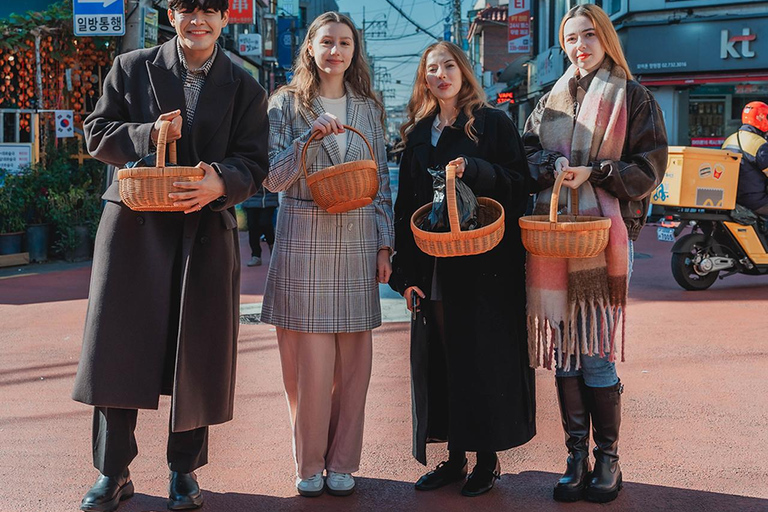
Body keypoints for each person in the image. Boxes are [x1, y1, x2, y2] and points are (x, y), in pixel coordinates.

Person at [73, 0, 268, 510]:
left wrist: (220, 181)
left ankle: (184, 471)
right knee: (118, 351)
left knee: (196, 353)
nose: (197, 20)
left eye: (209, 10)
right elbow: (96, 133)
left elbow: (255, 162)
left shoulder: (246, 86)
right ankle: (112, 471)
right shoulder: (131, 67)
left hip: (204, 229)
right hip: (132, 230)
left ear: (225, 18)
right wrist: (147, 134)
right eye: (187, 9)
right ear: (172, 14)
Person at [522, 4, 668, 504]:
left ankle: (608, 460)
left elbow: (650, 168)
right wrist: (551, 163)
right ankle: (575, 458)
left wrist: (597, 173)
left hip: (605, 241)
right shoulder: (549, 100)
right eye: (571, 38)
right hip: (555, 241)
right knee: (566, 355)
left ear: (606, 38)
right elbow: (525, 155)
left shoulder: (635, 97)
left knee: (596, 355)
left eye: (588, 35)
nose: (579, 46)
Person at [389, 41, 535, 498]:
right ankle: (454, 458)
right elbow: (405, 207)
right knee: (442, 358)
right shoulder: (418, 134)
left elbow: (521, 185)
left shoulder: (492, 123)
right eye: (431, 68)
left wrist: (476, 168)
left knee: (481, 358)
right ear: (424, 79)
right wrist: (404, 276)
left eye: (448, 65)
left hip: (486, 264)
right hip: (432, 263)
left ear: (464, 71)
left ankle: (487, 459)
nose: (440, 74)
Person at [259, 12, 393, 498]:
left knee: (354, 365)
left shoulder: (369, 108)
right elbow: (271, 178)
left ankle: (342, 461)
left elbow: (381, 182)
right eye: (327, 42)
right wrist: (308, 139)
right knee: (309, 367)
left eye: (345, 43)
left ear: (354, 51)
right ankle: (310, 461)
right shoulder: (285, 104)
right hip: (304, 239)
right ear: (310, 48)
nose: (336, 51)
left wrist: (385, 244)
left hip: (358, 240)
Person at [722, 101, 768, 217]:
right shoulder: (759, 144)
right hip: (754, 201)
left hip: (732, 198)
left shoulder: (729, 139)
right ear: (761, 118)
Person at [242, 185, 278, 266]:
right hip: (251, 197)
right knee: (252, 226)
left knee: (265, 223)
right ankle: (256, 256)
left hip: (269, 197)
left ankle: (273, 248)